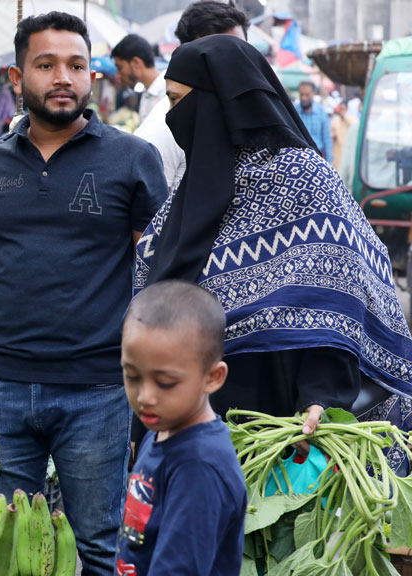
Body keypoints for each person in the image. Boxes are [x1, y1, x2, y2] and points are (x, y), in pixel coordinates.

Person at [0, 12, 168, 575]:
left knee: (97, 546)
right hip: (0, 387)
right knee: (1, 543)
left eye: (75, 65)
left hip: (97, 392)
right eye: (46, 65)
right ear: (17, 78)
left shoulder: (132, 159)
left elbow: (158, 274)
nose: (63, 76)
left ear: (91, 76)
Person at [134, 34, 412, 462]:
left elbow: (339, 302)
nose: (172, 116)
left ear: (216, 102)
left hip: (285, 424)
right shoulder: (195, 189)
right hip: (194, 419)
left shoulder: (305, 179)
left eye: (177, 101)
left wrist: (319, 398)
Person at [116, 280, 246, 576]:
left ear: (213, 377)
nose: (145, 397)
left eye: (165, 383)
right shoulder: (161, 430)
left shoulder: (199, 467)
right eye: (132, 377)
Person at [134, 0, 250, 192]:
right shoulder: (166, 123)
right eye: (223, 53)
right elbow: (149, 206)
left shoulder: (242, 114)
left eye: (243, 51)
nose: (238, 63)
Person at [112, 34, 164, 121]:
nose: (117, 75)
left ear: (135, 63)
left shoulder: (169, 92)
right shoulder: (147, 92)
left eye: (120, 67)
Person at [297, 80, 333, 163]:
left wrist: (329, 163)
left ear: (313, 93)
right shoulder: (294, 112)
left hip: (317, 158)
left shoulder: (321, 112)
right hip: (299, 159)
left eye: (307, 95)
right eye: (301, 95)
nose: (304, 98)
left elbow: (327, 139)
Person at [331, 101, 355, 170]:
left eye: (343, 109)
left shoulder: (352, 119)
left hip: (349, 152)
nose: (341, 111)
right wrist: (333, 135)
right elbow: (330, 133)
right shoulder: (335, 120)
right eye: (340, 109)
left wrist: (345, 116)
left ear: (347, 109)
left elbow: (355, 125)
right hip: (338, 152)